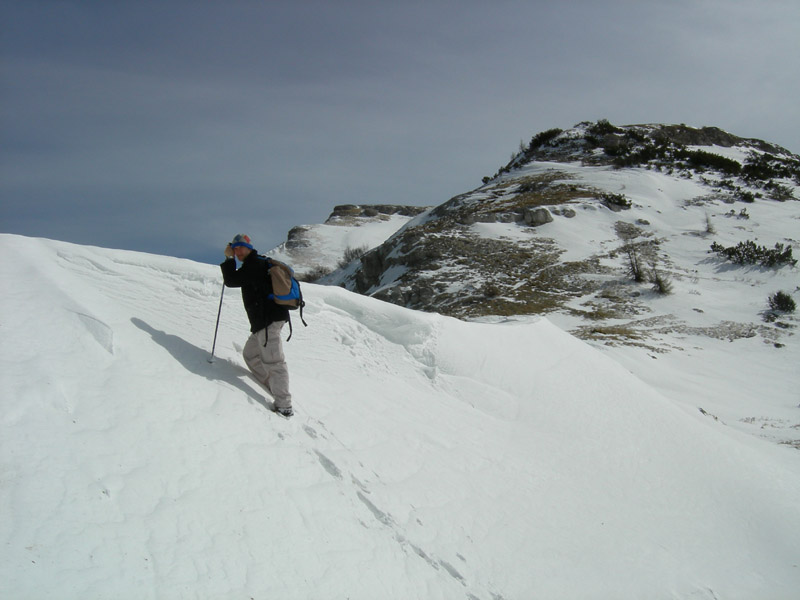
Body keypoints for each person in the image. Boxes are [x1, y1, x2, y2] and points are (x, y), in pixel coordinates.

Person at [220, 234, 294, 417]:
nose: (237, 251)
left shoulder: (254, 265)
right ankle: (272, 386)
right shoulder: (256, 263)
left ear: (249, 248)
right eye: (234, 248)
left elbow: (231, 281)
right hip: (264, 322)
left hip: (268, 321)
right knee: (250, 354)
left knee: (274, 361)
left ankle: (284, 405)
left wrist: (228, 259)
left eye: (240, 248)